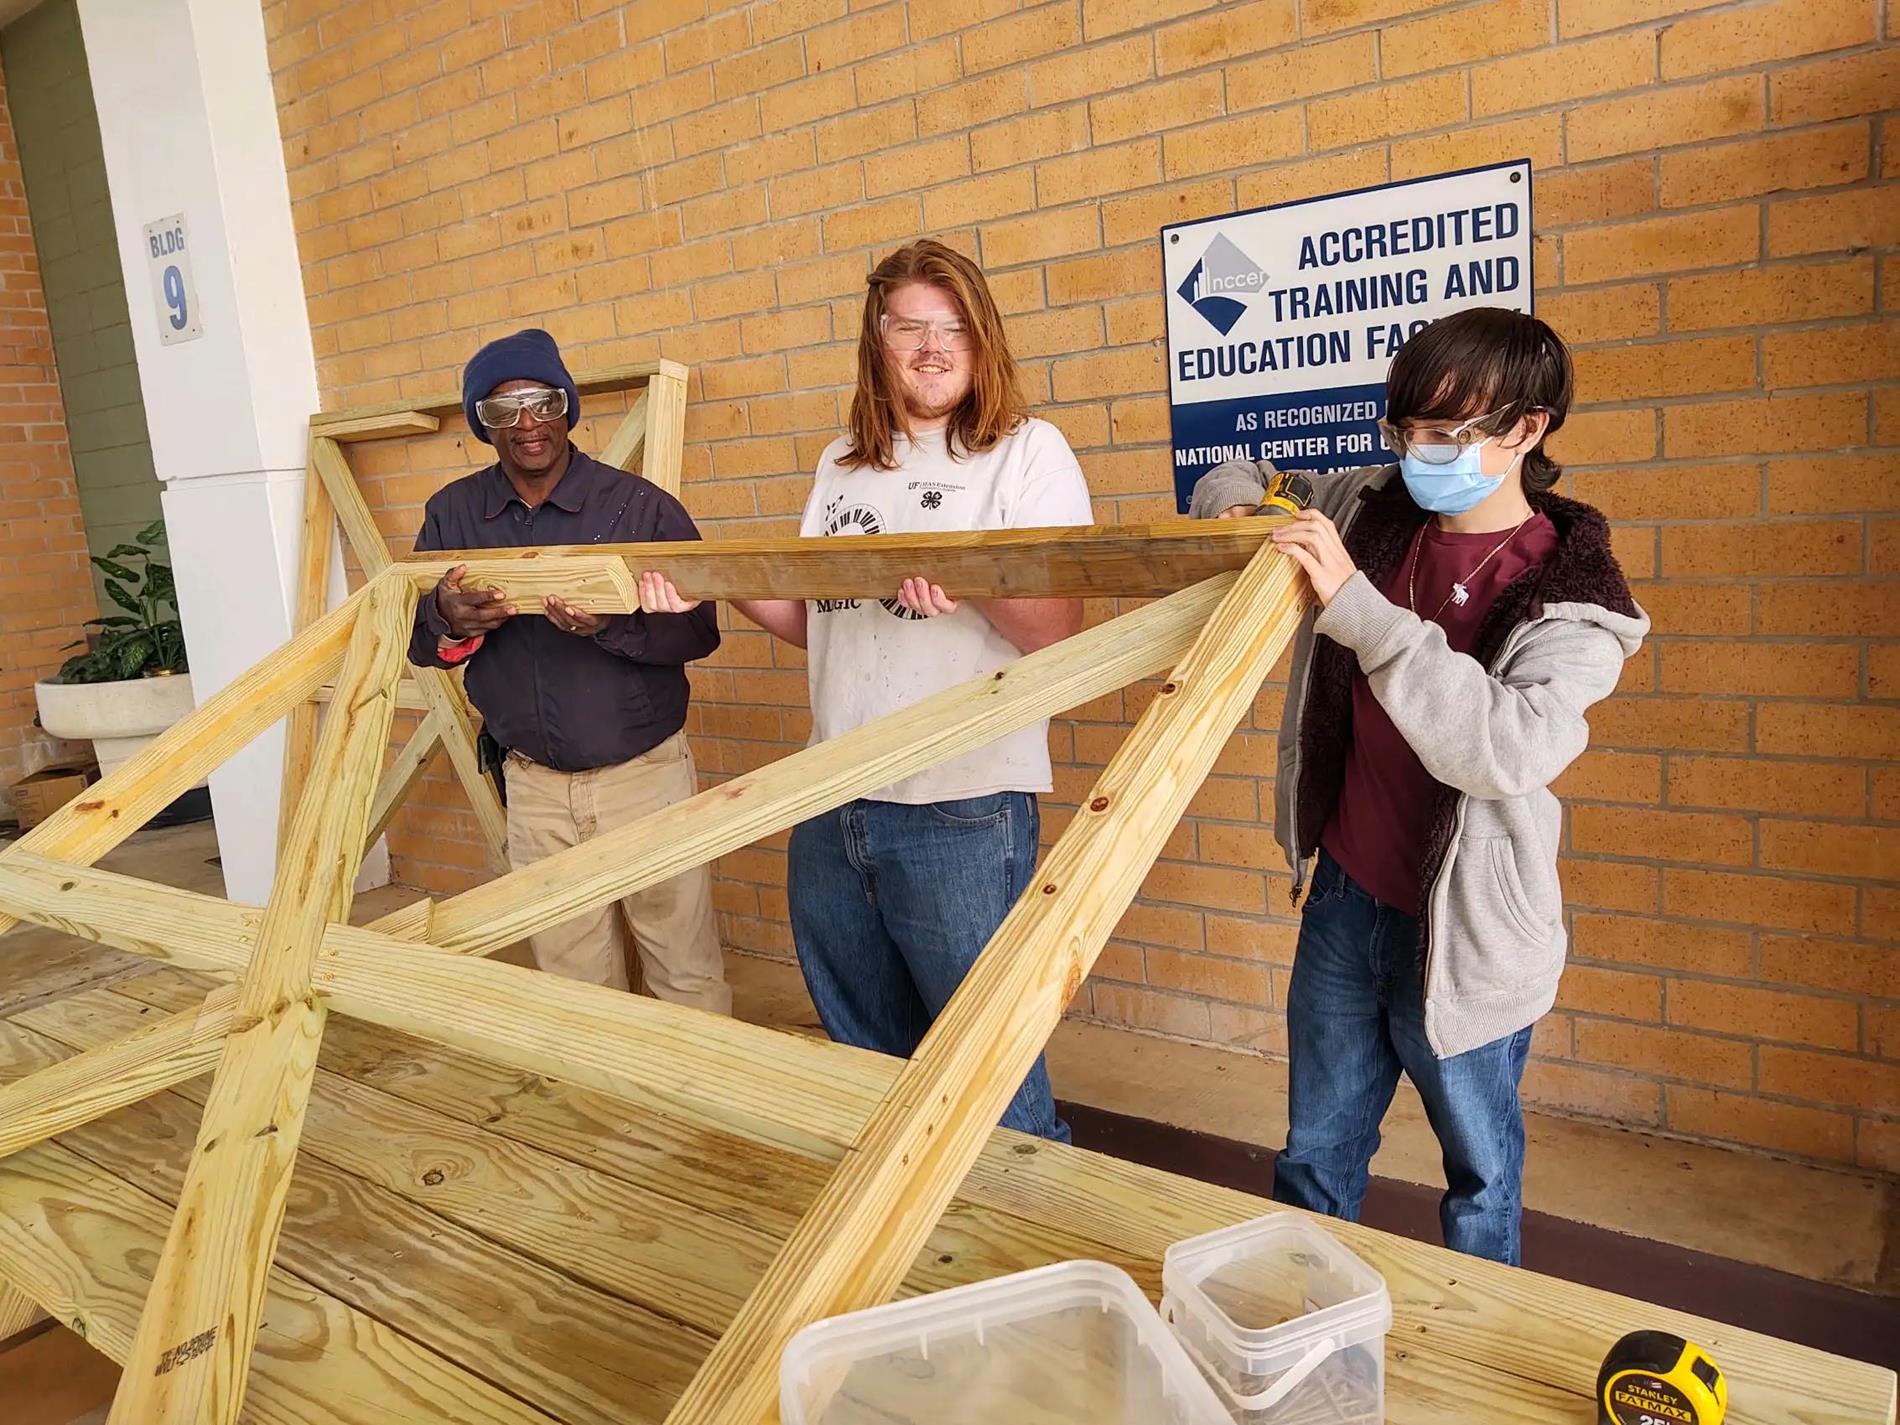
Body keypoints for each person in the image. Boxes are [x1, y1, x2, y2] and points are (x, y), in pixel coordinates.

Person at [1189, 307, 1648, 1264]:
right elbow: (1241, 473)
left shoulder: (1580, 602)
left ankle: (1481, 1350)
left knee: (1480, 1185)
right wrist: (1240, 508)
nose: (1421, 452)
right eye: (1408, 430)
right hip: (1345, 904)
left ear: (1529, 428)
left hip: (1472, 935)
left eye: (1450, 433)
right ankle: (1301, 1331)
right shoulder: (1373, 503)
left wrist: (1360, 612)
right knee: (1314, 1158)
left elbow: (1503, 748)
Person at [643, 240, 1092, 1139]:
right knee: (871, 1065)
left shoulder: (1026, 454)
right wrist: (718, 576)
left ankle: (1029, 1248)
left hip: (957, 806)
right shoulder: (844, 463)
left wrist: (973, 579)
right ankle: (910, 1244)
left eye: (953, 328)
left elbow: (1062, 631)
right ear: (876, 339)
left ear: (982, 340)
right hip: (833, 795)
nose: (933, 347)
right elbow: (829, 622)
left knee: (987, 1075)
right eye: (910, 328)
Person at [408, 327, 731, 1015]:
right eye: (503, 411)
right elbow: (411, 638)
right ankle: (611, 1114)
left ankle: (705, 1115)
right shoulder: (454, 515)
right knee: (572, 982)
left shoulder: (640, 509)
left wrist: (611, 624)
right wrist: (448, 615)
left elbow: (702, 629)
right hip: (534, 790)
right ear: (482, 425)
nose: (527, 423)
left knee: (684, 969)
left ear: (566, 406)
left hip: (645, 779)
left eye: (541, 401)